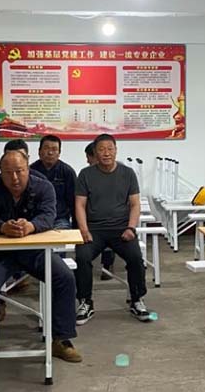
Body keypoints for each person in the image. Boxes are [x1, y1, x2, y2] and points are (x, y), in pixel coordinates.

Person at [0, 150, 81, 365]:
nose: (14, 178)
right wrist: (2, 226)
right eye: (8, 173)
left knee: (64, 277)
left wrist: (31, 226)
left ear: (28, 169)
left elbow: (48, 215)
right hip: (0, 253)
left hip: (35, 250)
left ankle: (61, 339)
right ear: (0, 172)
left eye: (19, 171)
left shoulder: (43, 187)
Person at [74, 134, 152, 324]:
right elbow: (80, 205)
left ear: (116, 150)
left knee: (136, 257)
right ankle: (85, 302)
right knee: (82, 257)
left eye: (110, 149)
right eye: (101, 149)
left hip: (121, 229)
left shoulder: (128, 173)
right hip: (94, 229)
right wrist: (84, 230)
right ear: (95, 152)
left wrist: (131, 228)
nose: (106, 153)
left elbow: (135, 204)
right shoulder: (86, 174)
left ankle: (137, 299)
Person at [30, 135, 77, 230]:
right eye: (46, 148)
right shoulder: (31, 171)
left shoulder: (67, 172)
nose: (50, 152)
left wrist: (76, 227)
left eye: (54, 149)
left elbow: (74, 201)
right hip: (36, 219)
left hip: (59, 219)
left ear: (59, 153)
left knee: (60, 237)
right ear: (39, 151)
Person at [84, 142, 115, 281]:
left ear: (95, 157)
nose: (87, 161)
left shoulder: (117, 174)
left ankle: (107, 265)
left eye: (88, 158)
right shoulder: (86, 175)